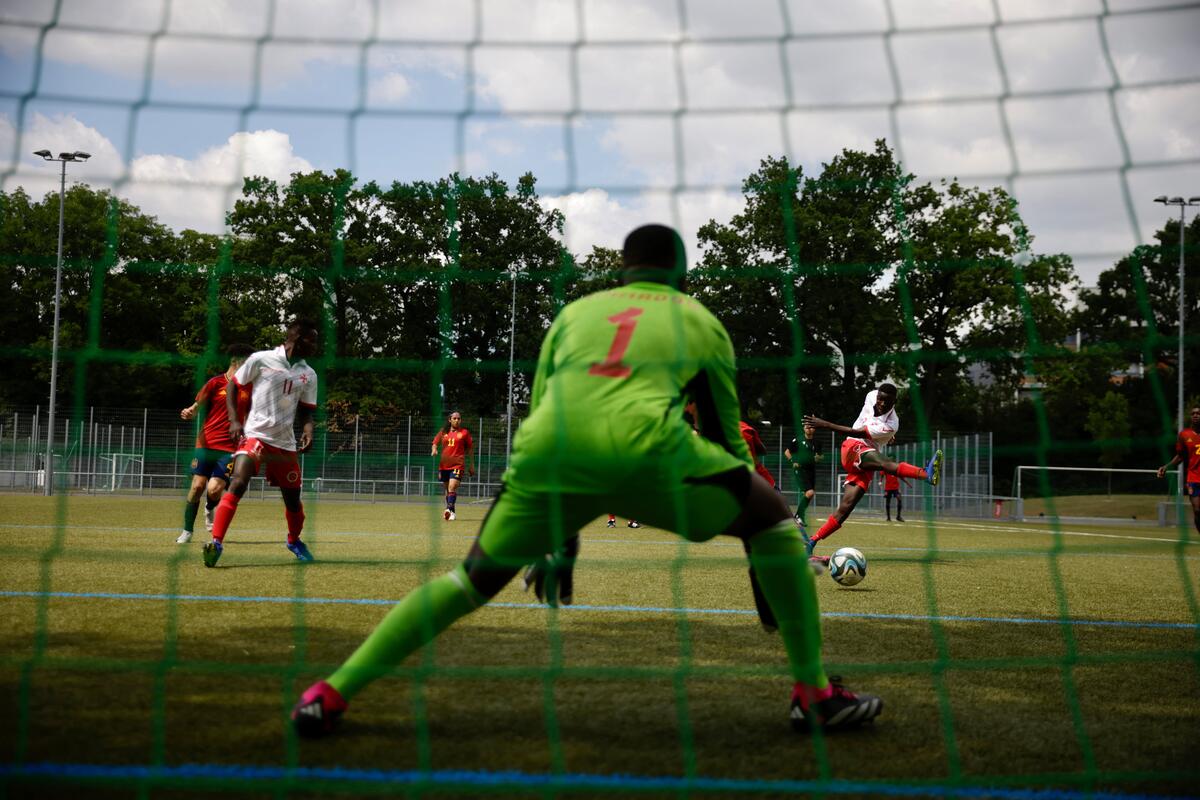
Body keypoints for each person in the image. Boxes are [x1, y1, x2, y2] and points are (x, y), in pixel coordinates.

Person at [292, 224, 882, 737]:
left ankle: (331, 692)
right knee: (776, 524)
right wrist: (758, 527)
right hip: (650, 455)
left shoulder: (574, 314)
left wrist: (560, 534)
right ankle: (814, 695)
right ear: (681, 274)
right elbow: (728, 440)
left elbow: (547, 406)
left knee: (469, 582)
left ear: (623, 271)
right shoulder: (699, 319)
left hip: (548, 461)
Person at [202, 319, 320, 568]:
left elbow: (307, 412)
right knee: (238, 482)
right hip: (255, 436)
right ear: (298, 340)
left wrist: (308, 431)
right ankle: (216, 543)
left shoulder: (309, 374)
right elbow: (234, 385)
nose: (316, 346)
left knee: (293, 499)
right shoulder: (261, 359)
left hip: (285, 444)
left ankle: (294, 540)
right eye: (313, 340)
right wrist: (235, 420)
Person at [802, 385, 941, 564]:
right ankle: (925, 474)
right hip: (852, 447)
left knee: (845, 509)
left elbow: (859, 430)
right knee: (885, 462)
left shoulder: (892, 424)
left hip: (864, 459)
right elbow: (856, 434)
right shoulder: (871, 396)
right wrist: (825, 424)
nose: (881, 403)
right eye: (880, 399)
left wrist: (824, 424)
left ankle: (810, 544)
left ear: (895, 402)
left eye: (887, 401)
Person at [176, 344, 254, 544]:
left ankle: (210, 507)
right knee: (197, 486)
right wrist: (190, 411)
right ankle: (187, 531)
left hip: (230, 447)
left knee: (214, 489)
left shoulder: (249, 388)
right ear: (237, 362)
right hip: (206, 442)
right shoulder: (215, 382)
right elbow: (196, 406)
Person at [1157, 405, 1200, 536]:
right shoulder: (1184, 435)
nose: (1195, 415)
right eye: (1193, 413)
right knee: (1197, 510)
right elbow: (1181, 456)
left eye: (1198, 413)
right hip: (1193, 477)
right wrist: (1166, 467)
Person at [431, 411, 475, 521]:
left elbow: (470, 449)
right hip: (444, 466)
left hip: (457, 465)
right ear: (449, 420)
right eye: (454, 418)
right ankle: (452, 513)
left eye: (459, 418)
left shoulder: (464, 433)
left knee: (452, 487)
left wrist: (472, 465)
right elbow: (435, 443)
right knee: (447, 490)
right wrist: (434, 450)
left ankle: (448, 509)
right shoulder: (443, 432)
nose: (457, 420)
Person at [784, 421, 824, 528]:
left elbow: (821, 456)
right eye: (806, 426)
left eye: (811, 426)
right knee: (809, 493)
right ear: (803, 428)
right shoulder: (798, 440)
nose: (808, 428)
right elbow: (787, 452)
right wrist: (793, 461)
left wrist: (818, 458)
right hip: (800, 469)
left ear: (814, 429)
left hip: (811, 470)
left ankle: (799, 516)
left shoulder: (817, 442)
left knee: (809, 494)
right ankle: (798, 516)